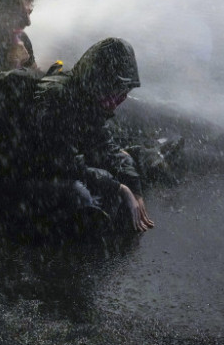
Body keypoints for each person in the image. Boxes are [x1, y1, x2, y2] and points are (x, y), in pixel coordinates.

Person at [32, 38, 154, 233]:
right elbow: (64, 164)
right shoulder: (58, 98)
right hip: (25, 169)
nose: (115, 103)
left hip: (57, 162)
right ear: (97, 82)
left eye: (122, 96)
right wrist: (118, 188)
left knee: (122, 160)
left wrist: (135, 191)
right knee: (78, 193)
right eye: (113, 93)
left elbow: (106, 148)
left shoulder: (88, 99)